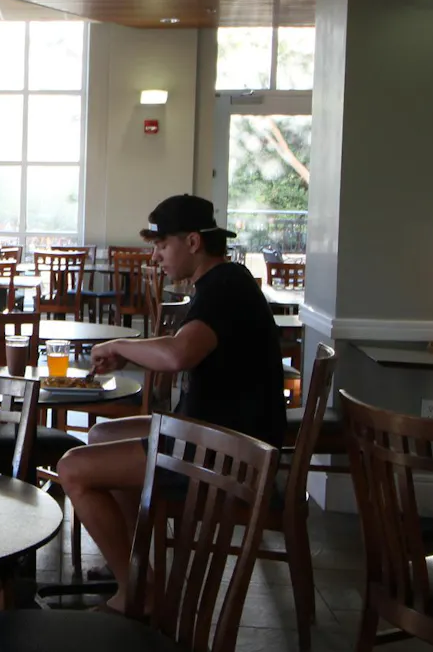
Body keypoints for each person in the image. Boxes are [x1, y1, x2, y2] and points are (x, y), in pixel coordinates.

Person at [58, 194, 286, 614]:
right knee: (101, 433)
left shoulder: (224, 287)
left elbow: (180, 354)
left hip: (228, 452)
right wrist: (130, 354)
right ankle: (140, 570)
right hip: (217, 434)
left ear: (193, 242)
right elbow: (184, 350)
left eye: (162, 246)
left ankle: (135, 594)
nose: (156, 256)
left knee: (72, 469)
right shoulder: (223, 283)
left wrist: (121, 343)